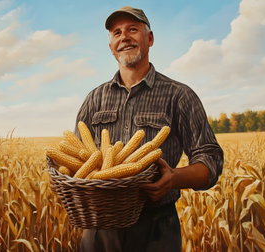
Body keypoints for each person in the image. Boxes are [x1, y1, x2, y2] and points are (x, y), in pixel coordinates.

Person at [74, 6, 224, 252]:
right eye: (117, 33)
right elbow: (76, 161)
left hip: (156, 228)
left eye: (133, 30)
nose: (124, 37)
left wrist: (174, 178)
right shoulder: (94, 99)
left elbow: (211, 161)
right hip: (100, 228)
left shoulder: (179, 96)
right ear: (111, 46)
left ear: (150, 38)